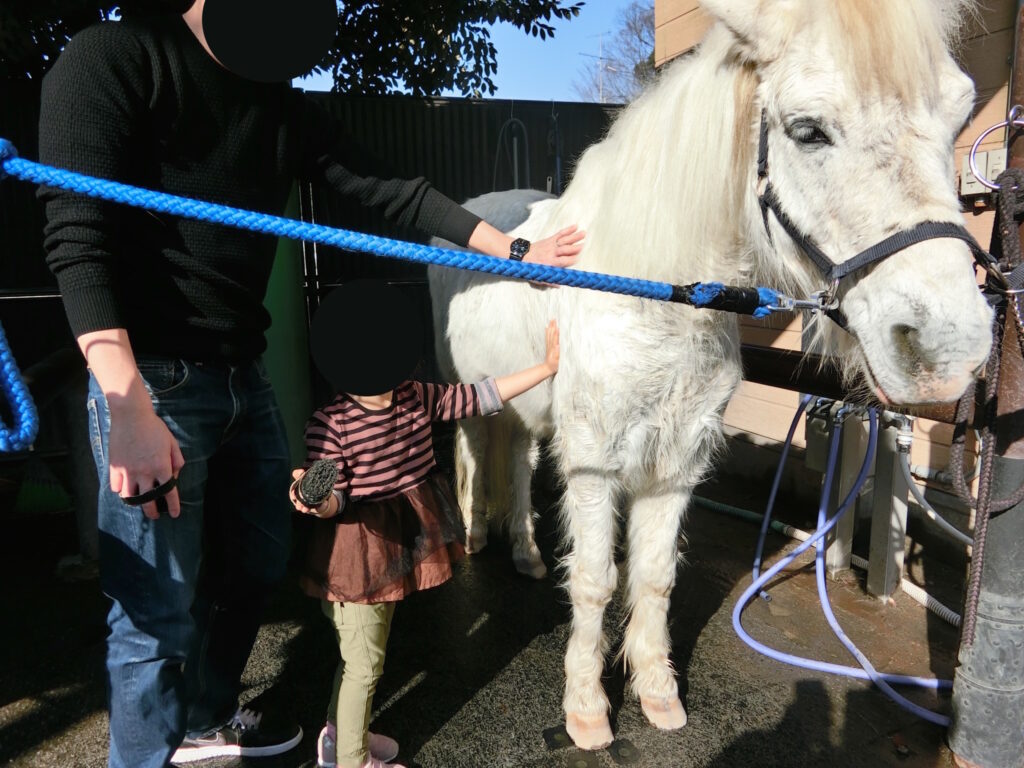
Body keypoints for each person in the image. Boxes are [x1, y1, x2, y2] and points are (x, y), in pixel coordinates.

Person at [35, 1, 584, 765]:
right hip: (149, 378)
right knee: (153, 612)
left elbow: (395, 190)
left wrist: (515, 248)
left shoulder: (283, 107)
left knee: (260, 560)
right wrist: (124, 399)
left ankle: (205, 717)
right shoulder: (112, 58)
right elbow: (76, 236)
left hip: (239, 374)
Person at [289, 281, 562, 768]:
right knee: (364, 664)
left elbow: (479, 396)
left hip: (393, 552)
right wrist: (314, 500)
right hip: (357, 559)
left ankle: (340, 736)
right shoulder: (332, 425)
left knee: (366, 656)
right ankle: (349, 759)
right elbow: (331, 494)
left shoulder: (416, 395)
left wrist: (544, 369)